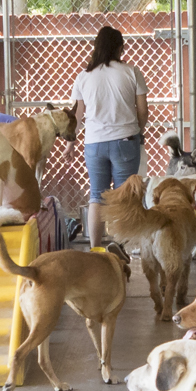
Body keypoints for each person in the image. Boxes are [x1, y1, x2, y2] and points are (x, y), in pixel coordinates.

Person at [70, 26, 147, 239]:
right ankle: (120, 246)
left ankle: (95, 247)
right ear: (120, 48)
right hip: (125, 141)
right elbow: (143, 111)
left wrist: (70, 143)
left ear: (96, 47)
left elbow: (76, 116)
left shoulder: (83, 76)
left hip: (94, 143)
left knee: (97, 196)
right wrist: (139, 131)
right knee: (124, 196)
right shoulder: (132, 72)